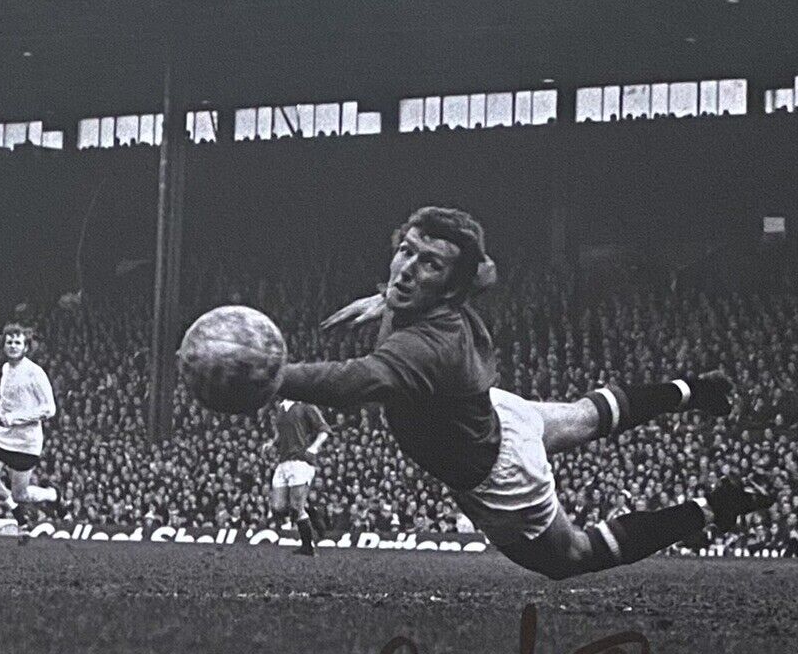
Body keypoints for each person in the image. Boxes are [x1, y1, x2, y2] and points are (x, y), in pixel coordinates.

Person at [271, 206, 772, 581]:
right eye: (406, 249)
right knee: (586, 416)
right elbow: (482, 273)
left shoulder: (430, 347)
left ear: (450, 288)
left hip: (495, 470)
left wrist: (271, 375)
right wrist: (385, 298)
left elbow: (353, 381)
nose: (406, 269)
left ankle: (711, 508)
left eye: (428, 264)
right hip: (495, 413)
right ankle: (695, 390)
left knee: (570, 556)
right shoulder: (443, 294)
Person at [0, 323, 58, 553]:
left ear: (26, 347)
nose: (13, 346)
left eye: (18, 342)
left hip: (25, 441)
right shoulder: (6, 369)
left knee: (19, 494)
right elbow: (6, 403)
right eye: (9, 342)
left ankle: (52, 495)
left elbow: (49, 409)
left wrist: (15, 419)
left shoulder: (35, 373)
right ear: (3, 345)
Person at [265, 398, 332, 556]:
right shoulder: (281, 407)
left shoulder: (306, 405)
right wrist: (272, 443)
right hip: (283, 461)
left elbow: (324, 430)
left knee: (296, 507)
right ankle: (311, 511)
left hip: (301, 461)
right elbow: (280, 434)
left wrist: (314, 448)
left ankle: (308, 547)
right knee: (278, 507)